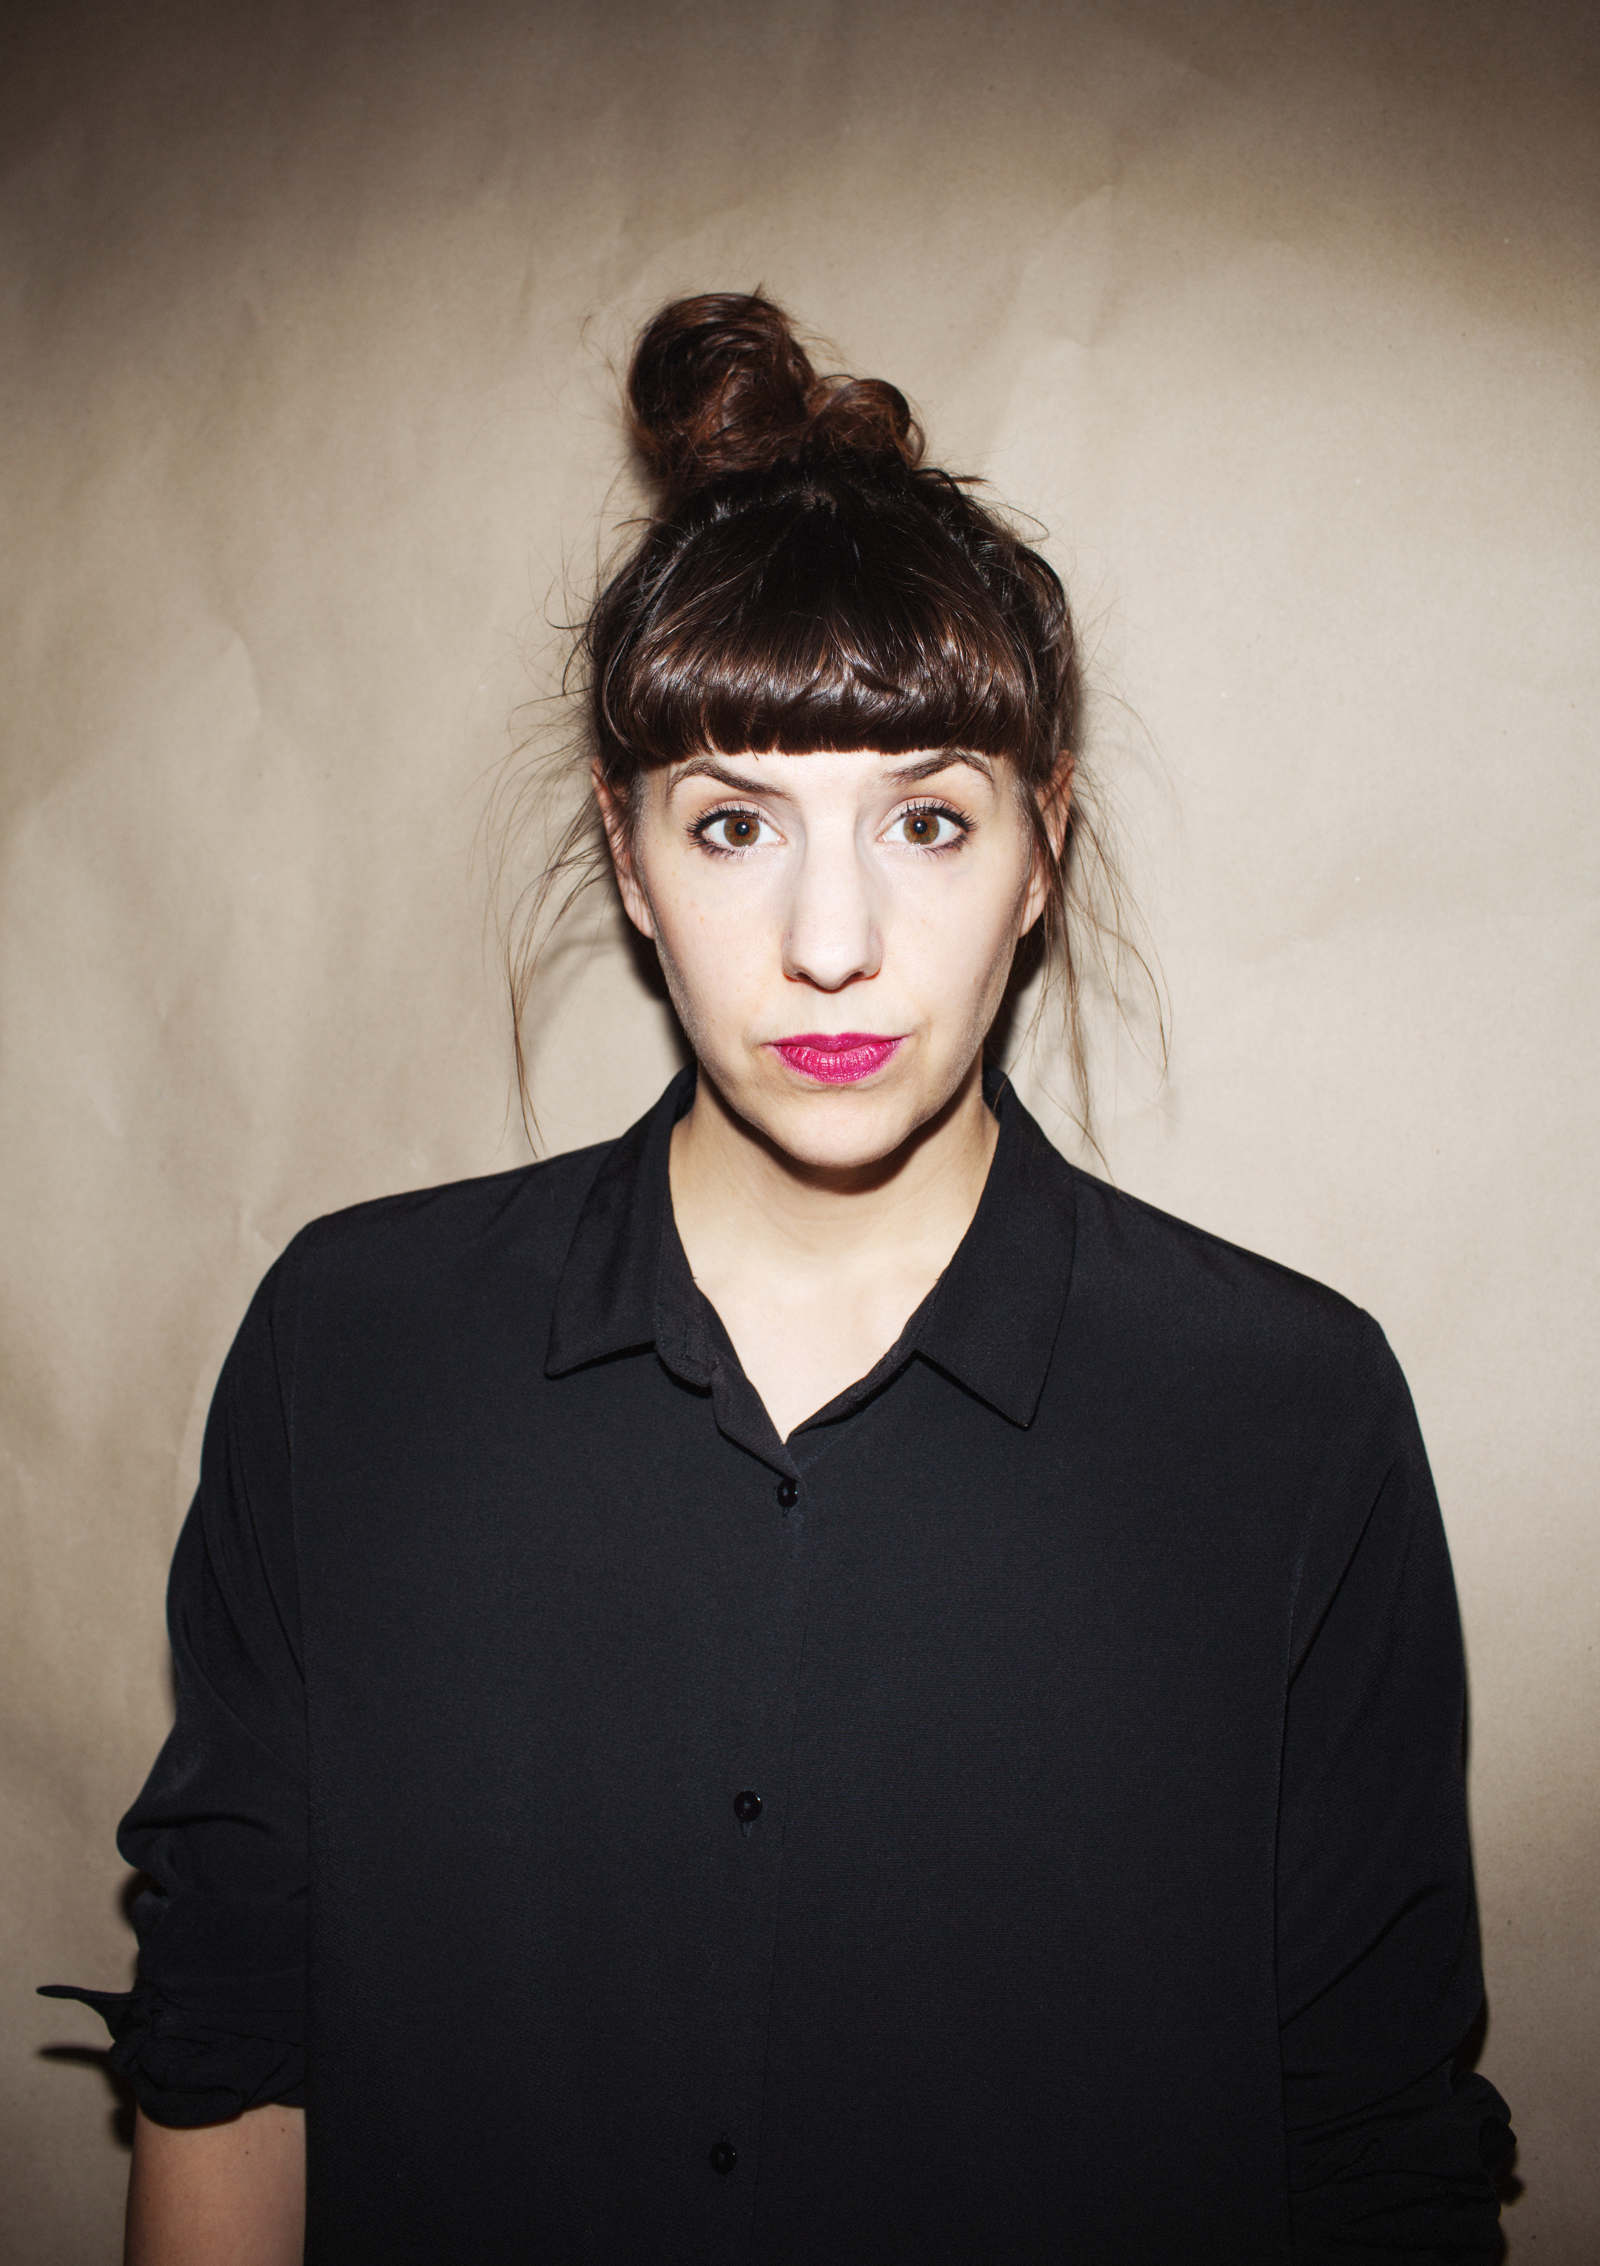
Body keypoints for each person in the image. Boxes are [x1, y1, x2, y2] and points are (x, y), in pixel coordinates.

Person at [45, 292, 1513, 2263]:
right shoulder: (352, 1352)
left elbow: (1375, 2145)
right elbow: (231, 2037)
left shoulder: (1288, 1417)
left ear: (1042, 849)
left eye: (926, 817)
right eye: (735, 821)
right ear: (627, 857)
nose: (832, 937)